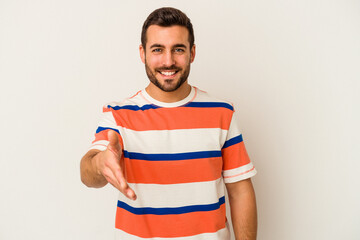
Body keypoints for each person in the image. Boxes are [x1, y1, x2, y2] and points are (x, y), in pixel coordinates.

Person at [80, 7, 257, 240]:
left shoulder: (221, 113)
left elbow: (240, 192)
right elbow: (88, 172)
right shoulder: (118, 115)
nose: (168, 61)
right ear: (142, 53)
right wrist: (101, 162)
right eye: (157, 49)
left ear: (192, 53)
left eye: (178, 49)